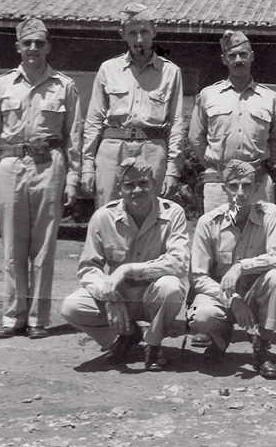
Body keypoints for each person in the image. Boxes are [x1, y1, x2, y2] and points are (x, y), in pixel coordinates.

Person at [0, 17, 82, 340]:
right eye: (27, 43)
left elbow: (73, 136)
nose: (33, 49)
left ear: (49, 47)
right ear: (18, 46)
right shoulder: (2, 85)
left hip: (50, 166)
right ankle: (13, 317)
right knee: (12, 247)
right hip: (10, 165)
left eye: (39, 43)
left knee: (44, 247)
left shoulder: (65, 86)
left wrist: (73, 179)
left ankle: (38, 319)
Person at [62, 157, 189, 371]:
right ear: (119, 188)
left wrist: (129, 269)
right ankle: (127, 335)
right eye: (129, 185)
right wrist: (109, 296)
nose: (137, 190)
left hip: (153, 294)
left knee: (172, 286)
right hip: (119, 295)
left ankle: (154, 343)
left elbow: (179, 263)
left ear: (154, 184)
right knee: (71, 307)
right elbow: (88, 268)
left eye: (143, 183)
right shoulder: (103, 217)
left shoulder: (173, 213)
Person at [186, 160, 276, 380]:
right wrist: (232, 299)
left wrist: (242, 266)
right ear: (225, 188)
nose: (240, 193)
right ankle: (219, 338)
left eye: (247, 186)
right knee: (202, 316)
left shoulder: (269, 214)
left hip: (255, 293)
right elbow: (198, 276)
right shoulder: (208, 223)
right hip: (221, 295)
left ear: (257, 188)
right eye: (234, 186)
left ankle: (261, 346)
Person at [81, 3, 184, 208]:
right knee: (109, 215)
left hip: (152, 151)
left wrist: (173, 169)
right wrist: (87, 166)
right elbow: (93, 120)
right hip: (112, 151)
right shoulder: (108, 69)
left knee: (150, 218)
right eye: (133, 33)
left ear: (154, 31)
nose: (139, 39)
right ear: (123, 35)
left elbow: (176, 124)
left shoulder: (171, 72)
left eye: (145, 31)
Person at [188, 29, 276, 214]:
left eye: (243, 54)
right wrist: (217, 166)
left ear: (252, 57)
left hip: (257, 184)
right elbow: (196, 138)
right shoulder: (209, 95)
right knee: (218, 238)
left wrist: (260, 167)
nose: (238, 60)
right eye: (232, 55)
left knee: (257, 239)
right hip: (218, 185)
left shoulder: (269, 98)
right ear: (224, 59)